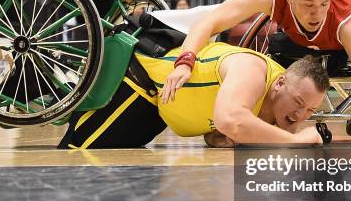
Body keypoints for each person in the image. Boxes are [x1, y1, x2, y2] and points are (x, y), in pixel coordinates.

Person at [161, 0, 351, 144]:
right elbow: (208, 21)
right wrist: (185, 62)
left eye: (323, 4)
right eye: (308, 5)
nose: (317, 13)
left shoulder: (346, 23)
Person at [58, 43, 329, 149]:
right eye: (298, 104)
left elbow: (220, 128)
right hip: (139, 90)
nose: (300, 115)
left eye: (310, 112)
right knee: (75, 152)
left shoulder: (277, 104)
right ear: (280, 83)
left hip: (159, 112)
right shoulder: (252, 71)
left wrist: (216, 137)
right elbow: (231, 120)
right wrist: (296, 141)